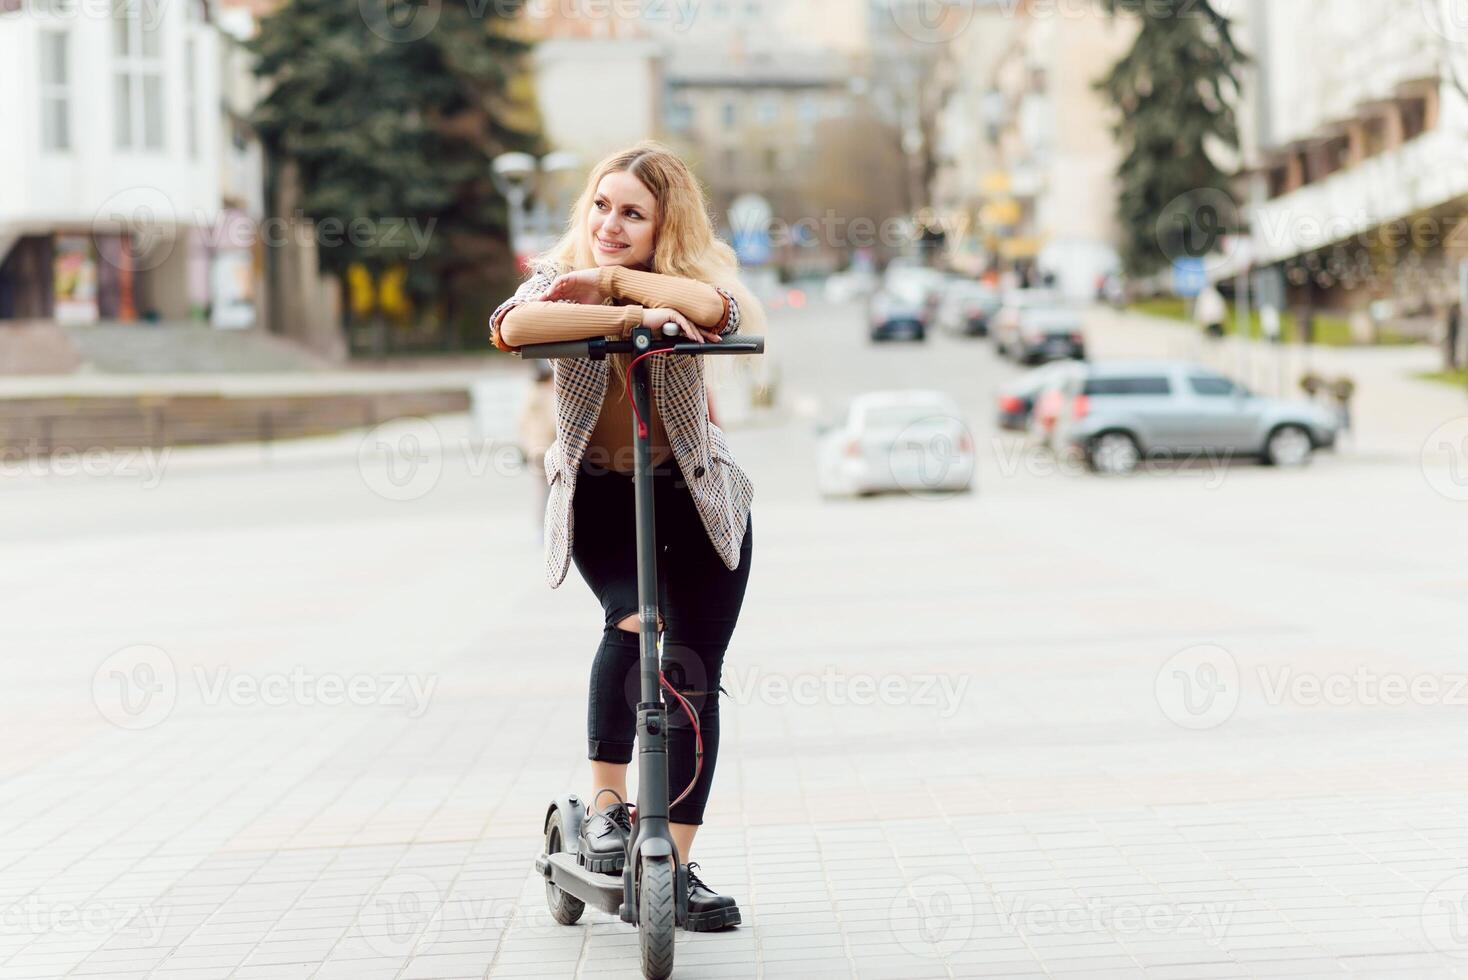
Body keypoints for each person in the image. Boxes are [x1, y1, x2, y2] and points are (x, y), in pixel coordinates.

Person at [488, 141, 766, 932]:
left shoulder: (694, 279)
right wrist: (627, 312)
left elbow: (727, 313)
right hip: (603, 498)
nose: (610, 225)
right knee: (638, 621)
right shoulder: (558, 275)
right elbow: (513, 325)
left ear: (663, 225)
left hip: (701, 499)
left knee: (695, 674)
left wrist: (628, 285)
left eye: (632, 214)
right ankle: (607, 807)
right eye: (602, 207)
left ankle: (670, 866)